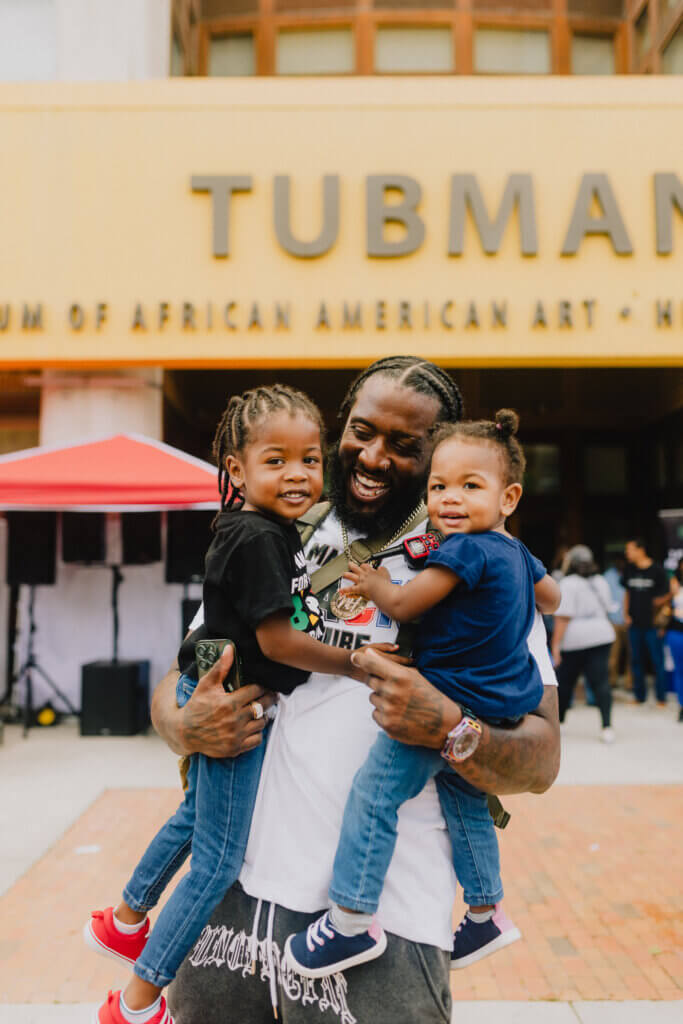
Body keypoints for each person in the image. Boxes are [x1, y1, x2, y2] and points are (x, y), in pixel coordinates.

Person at [149, 357, 561, 1024]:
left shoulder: (480, 561)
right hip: (228, 898)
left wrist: (451, 728)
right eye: (362, 432)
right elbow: (194, 656)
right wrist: (183, 718)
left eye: (406, 446)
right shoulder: (274, 528)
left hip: (380, 924)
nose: (373, 457)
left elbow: (541, 757)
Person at [84, 385, 400, 1024]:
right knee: (218, 861)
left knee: (195, 812)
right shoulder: (259, 537)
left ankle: (125, 919)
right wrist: (357, 661)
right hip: (230, 694)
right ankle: (137, 1001)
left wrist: (347, 578)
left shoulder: (268, 533)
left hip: (214, 673)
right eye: (276, 460)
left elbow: (294, 600)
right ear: (236, 469)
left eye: (309, 460)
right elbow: (278, 637)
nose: (297, 474)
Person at [284, 410, 561, 978]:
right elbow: (551, 599)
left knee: (373, 796)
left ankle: (350, 921)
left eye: (469, 486)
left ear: (508, 496)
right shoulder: (515, 550)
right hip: (498, 705)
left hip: (442, 700)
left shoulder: (464, 550)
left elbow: (408, 605)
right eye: (439, 487)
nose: (449, 500)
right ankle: (486, 910)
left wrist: (372, 583)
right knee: (464, 802)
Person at [551, 545, 616, 743]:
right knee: (601, 682)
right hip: (602, 634)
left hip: (575, 638)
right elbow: (608, 607)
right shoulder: (601, 581)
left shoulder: (568, 583)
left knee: (565, 682)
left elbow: (563, 617)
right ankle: (607, 726)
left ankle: (559, 723)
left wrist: (555, 646)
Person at [622, 538, 670, 705]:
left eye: (630, 549)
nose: (627, 553)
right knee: (636, 660)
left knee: (657, 660)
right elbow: (627, 593)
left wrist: (658, 605)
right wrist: (626, 613)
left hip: (653, 625)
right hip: (634, 624)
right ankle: (639, 696)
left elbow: (667, 594)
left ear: (640, 550)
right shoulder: (629, 569)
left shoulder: (657, 570)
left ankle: (661, 697)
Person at [603, 555, 630, 689]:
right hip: (613, 619)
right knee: (613, 654)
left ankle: (629, 683)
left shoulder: (630, 574)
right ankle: (612, 681)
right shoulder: (607, 576)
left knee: (632, 656)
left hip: (628, 620)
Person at [664, 558, 683, 722]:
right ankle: (682, 705)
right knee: (680, 670)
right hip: (677, 631)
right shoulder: (675, 583)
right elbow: (668, 606)